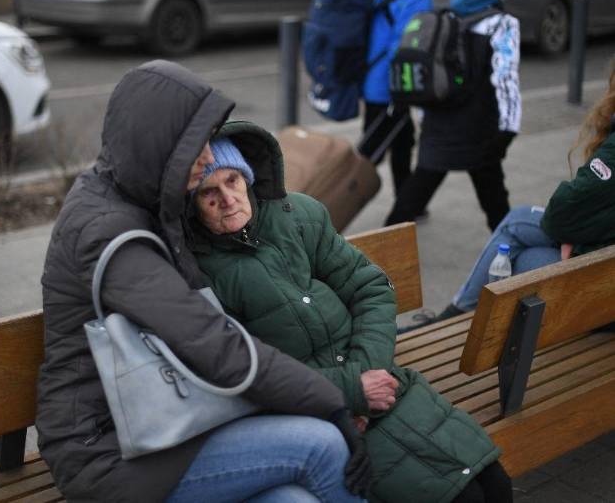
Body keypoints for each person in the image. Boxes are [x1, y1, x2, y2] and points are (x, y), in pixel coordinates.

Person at [36, 60, 372, 502]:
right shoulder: (109, 234)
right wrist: (331, 400)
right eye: (197, 145)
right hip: (109, 451)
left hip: (174, 421)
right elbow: (214, 345)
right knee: (322, 444)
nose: (210, 157)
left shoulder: (143, 199)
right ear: (161, 148)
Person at [187, 122, 512, 503]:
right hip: (315, 413)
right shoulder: (200, 274)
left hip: (382, 382)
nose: (228, 199)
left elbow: (370, 287)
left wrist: (367, 373)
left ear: (248, 177)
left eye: (233, 180)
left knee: (495, 483)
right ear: (190, 204)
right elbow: (245, 372)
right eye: (209, 192)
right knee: (462, 497)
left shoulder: (298, 215)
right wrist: (350, 391)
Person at [439, 57, 615, 319]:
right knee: (516, 232)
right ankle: (459, 313)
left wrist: (577, 243)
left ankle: (454, 316)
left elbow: (562, 211)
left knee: (515, 253)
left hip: (603, 295)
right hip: (604, 275)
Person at [385, 0, 522, 232]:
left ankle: (379, 248)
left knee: (409, 202)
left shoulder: (447, 14)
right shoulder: (502, 23)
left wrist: (426, 119)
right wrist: (508, 130)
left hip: (440, 124)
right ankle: (509, 253)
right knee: (496, 205)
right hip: (480, 129)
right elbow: (505, 79)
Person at [361, 0, 452, 197]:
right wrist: (402, 91)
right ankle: (332, 201)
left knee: (402, 141)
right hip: (388, 87)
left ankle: (407, 203)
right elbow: (403, 50)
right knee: (369, 154)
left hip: (375, 79)